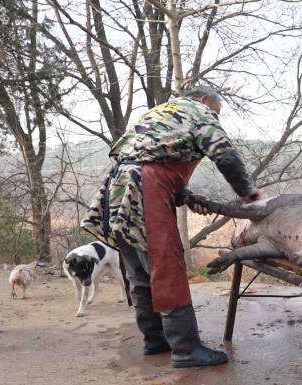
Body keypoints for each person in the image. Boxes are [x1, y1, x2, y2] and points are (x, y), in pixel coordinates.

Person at [81, 85, 260, 368]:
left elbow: (151, 158)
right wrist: (249, 193)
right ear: (203, 101)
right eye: (216, 112)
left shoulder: (158, 112)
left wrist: (184, 196)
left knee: (139, 270)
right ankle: (186, 350)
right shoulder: (198, 109)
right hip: (146, 188)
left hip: (117, 188)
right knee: (166, 265)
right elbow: (223, 152)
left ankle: (155, 340)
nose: (215, 118)